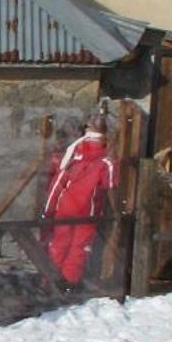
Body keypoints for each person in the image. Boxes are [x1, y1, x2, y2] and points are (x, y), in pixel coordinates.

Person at [42, 115, 118, 287]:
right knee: (79, 249)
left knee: (57, 246)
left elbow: (57, 184)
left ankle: (50, 282)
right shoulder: (106, 162)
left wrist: (49, 209)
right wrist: (116, 212)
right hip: (87, 213)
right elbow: (111, 189)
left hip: (64, 208)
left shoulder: (73, 156)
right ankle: (69, 283)